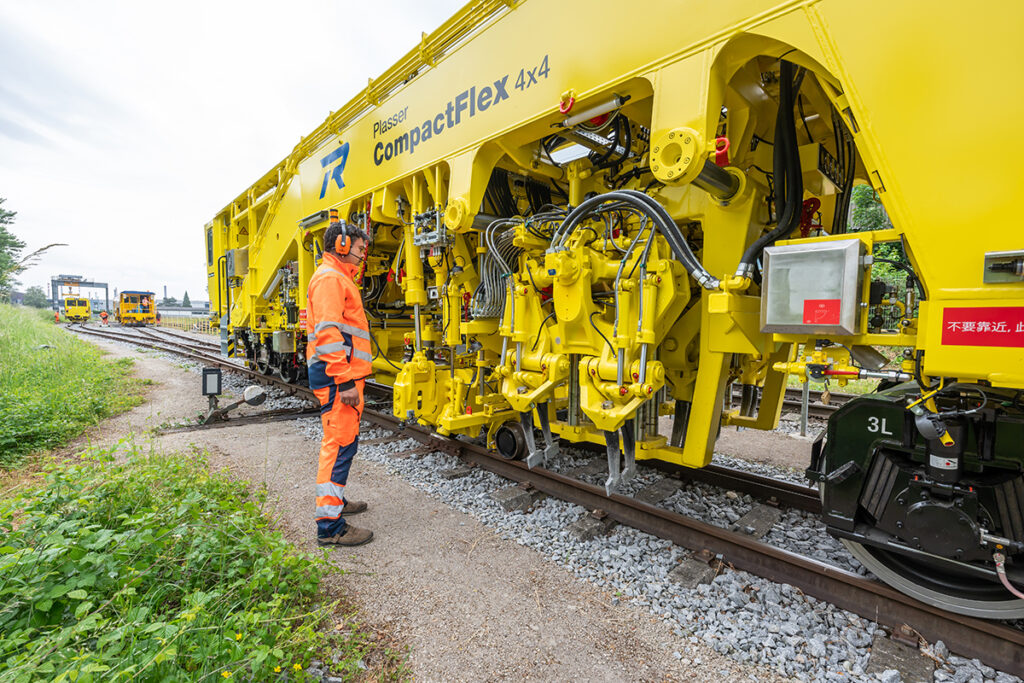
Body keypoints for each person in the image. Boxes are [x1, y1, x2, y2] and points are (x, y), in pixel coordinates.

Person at [306, 213, 374, 547]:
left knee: (343, 442)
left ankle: (336, 502)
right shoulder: (331, 279)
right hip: (338, 378)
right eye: (360, 248)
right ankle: (330, 526)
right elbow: (329, 334)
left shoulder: (336, 277)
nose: (362, 255)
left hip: (341, 375)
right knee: (339, 446)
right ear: (342, 245)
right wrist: (344, 380)